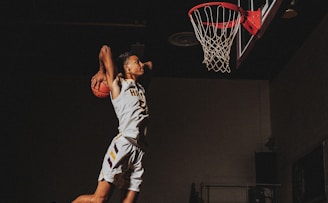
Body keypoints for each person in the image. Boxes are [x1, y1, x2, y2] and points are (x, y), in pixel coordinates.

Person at [72, 44, 153, 203]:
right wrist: (103, 71)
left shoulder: (141, 88)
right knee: (99, 200)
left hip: (139, 151)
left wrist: (142, 63)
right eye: (137, 62)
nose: (141, 64)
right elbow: (105, 49)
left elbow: (150, 65)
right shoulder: (118, 84)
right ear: (127, 68)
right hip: (123, 146)